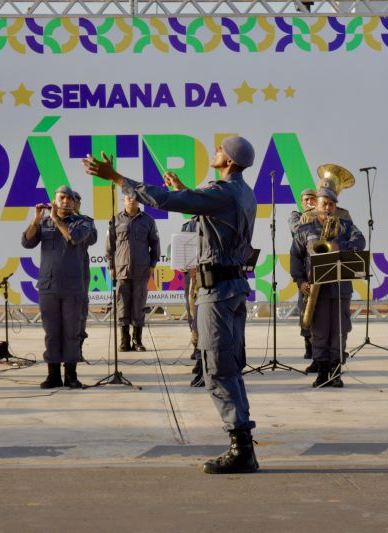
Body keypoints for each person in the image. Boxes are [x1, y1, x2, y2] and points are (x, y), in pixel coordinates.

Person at [84, 135, 259, 475]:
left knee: (217, 367)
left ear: (231, 161)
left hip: (217, 291)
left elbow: (164, 200)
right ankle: (243, 443)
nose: (216, 152)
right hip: (232, 288)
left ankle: (241, 448)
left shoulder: (223, 193)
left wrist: (119, 178)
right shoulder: (241, 192)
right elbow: (203, 205)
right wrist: (186, 190)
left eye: (220, 150)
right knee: (230, 366)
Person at [290, 189, 366, 388]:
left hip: (340, 288)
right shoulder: (305, 229)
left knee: (340, 331)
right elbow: (296, 257)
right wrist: (300, 281)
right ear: (315, 205)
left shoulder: (346, 226)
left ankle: (335, 372)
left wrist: (342, 248)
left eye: (331, 204)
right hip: (317, 290)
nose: (327, 207)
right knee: (320, 331)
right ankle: (322, 372)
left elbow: (360, 241)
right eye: (324, 204)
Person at [22, 186, 95, 389]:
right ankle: (53, 374)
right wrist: (36, 220)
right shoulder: (43, 223)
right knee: (52, 331)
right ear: (54, 201)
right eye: (61, 198)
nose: (65, 201)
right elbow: (27, 242)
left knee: (71, 331)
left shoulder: (83, 222)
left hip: (72, 287)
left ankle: (71, 375)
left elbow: (74, 238)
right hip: (48, 286)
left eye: (69, 198)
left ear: (74, 202)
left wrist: (56, 219)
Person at [106, 192, 160, 352]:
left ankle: (137, 340)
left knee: (139, 305)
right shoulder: (115, 220)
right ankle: (124, 340)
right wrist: (111, 266)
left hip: (141, 270)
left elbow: (155, 243)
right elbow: (110, 246)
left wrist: (152, 264)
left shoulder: (148, 220)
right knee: (122, 304)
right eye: (129, 198)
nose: (132, 201)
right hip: (121, 270)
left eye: (135, 199)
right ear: (123, 200)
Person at [289, 188, 318, 364]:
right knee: (305, 308)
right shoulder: (296, 215)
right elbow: (296, 229)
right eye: (306, 199)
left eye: (313, 199)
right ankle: (308, 343)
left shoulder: (323, 217)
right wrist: (311, 213)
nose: (309, 201)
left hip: (322, 266)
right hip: (305, 268)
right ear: (302, 202)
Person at [72, 191, 98, 362]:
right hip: (59, 276)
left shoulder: (86, 221)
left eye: (74, 201)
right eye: (65, 199)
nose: (69, 203)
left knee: (80, 312)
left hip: (79, 273)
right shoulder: (51, 220)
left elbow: (92, 239)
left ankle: (77, 349)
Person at [181, 216, 204, 387]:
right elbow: (182, 251)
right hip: (193, 276)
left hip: (212, 274)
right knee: (194, 317)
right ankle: (198, 354)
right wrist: (185, 265)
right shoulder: (188, 225)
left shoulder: (218, 219)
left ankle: (203, 360)